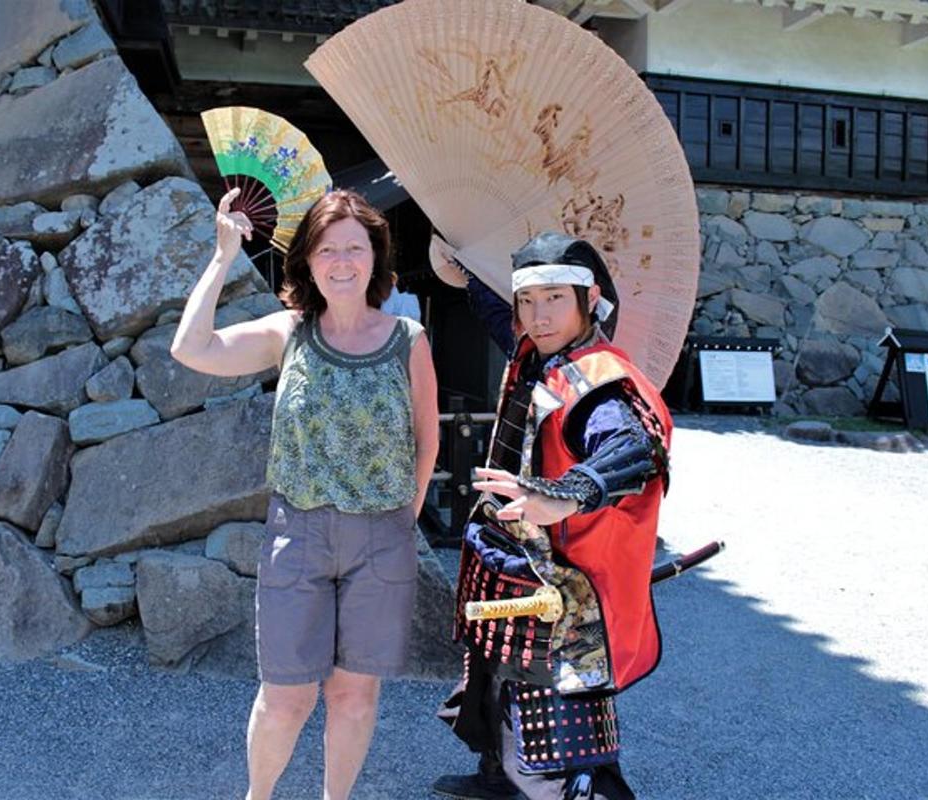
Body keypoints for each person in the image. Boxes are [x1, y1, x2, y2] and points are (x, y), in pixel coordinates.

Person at [170, 187, 439, 800]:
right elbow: (192, 348)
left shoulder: (409, 338)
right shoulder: (288, 332)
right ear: (308, 261)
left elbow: (426, 441)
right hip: (300, 533)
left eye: (355, 247)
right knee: (285, 695)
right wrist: (222, 257)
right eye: (327, 248)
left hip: (383, 537)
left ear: (375, 257)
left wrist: (404, 520)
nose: (342, 261)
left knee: (353, 694)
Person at [430, 232, 673, 800]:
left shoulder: (600, 380)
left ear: (590, 302)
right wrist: (468, 275)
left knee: (565, 724)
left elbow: (635, 448)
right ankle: (496, 775)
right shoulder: (534, 353)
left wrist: (566, 493)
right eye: (528, 300)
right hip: (512, 556)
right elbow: (501, 320)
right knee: (492, 681)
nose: (538, 317)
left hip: (563, 579)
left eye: (555, 299)